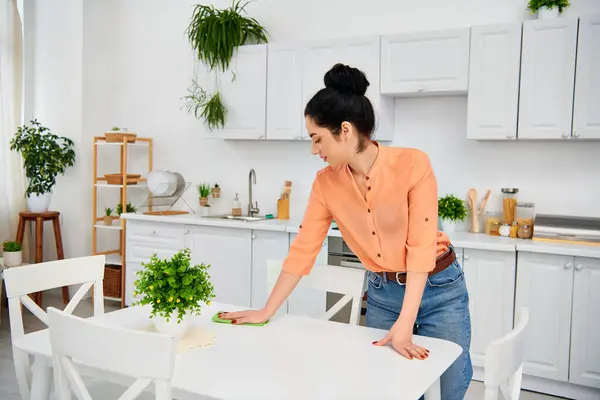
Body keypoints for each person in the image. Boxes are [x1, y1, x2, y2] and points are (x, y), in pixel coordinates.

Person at [219, 63, 472, 399]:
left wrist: (406, 322)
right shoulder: (326, 183)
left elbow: (421, 246)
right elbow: (304, 249)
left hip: (440, 288)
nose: (314, 150)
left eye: (317, 138)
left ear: (346, 130)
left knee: (448, 386)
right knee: (389, 386)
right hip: (383, 292)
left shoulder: (413, 164)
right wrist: (267, 310)